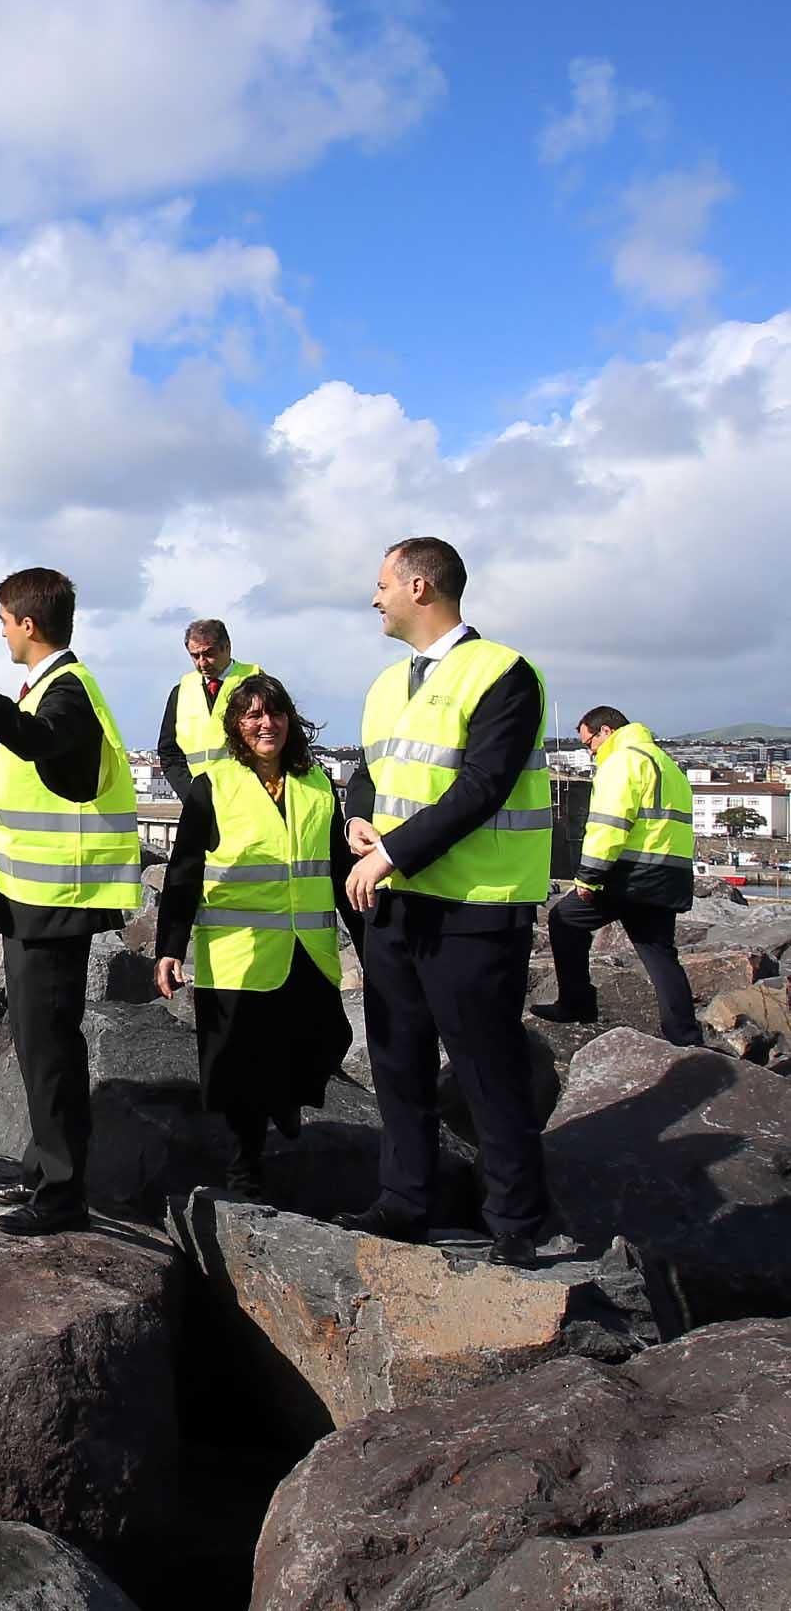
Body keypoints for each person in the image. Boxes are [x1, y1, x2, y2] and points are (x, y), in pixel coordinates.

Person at [0, 568, 141, 1237]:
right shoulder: (51, 687)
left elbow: (32, 740)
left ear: (27, 625)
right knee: (40, 1044)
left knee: (49, 1049)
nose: (2, 632)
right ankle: (43, 1172)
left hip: (55, 901)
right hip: (34, 900)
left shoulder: (65, 692)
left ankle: (62, 1193)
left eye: (4, 622)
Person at [342, 536, 554, 1267]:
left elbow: (482, 786)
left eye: (381, 585)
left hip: (473, 907)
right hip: (397, 907)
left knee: (485, 1068)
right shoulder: (384, 684)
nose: (373, 598)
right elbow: (368, 773)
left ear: (420, 587)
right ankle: (404, 1202)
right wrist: (357, 820)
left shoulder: (502, 673)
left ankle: (515, 1222)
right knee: (396, 1062)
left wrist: (391, 853)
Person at [152, 673, 356, 1201]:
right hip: (239, 955)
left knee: (327, 1039)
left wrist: (372, 941)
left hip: (307, 949)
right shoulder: (213, 784)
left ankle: (285, 1104)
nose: (267, 724)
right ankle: (246, 1172)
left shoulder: (317, 785)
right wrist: (170, 947)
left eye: (275, 713)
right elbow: (184, 873)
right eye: (253, 716)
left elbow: (336, 868)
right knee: (241, 1071)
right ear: (237, 728)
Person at [532, 707, 701, 1046]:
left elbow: (609, 825)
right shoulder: (665, 762)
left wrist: (588, 878)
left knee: (565, 920)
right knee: (659, 953)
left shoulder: (623, 761)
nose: (589, 751)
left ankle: (576, 1003)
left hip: (630, 874)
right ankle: (685, 1036)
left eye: (589, 743)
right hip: (669, 874)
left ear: (606, 731)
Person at [155, 619, 262, 802]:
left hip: (250, 798)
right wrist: (191, 794)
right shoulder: (181, 691)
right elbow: (169, 752)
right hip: (201, 802)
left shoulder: (257, 682)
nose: (202, 663)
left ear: (227, 648)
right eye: (195, 656)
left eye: (208, 654)